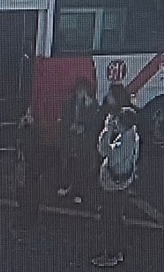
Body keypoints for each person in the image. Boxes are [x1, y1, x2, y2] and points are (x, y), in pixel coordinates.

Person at [93, 106, 139, 268]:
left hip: (113, 185)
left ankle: (110, 254)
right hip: (124, 183)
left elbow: (104, 151)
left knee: (109, 219)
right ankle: (118, 251)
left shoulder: (123, 142)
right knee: (117, 218)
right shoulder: (133, 135)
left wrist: (107, 130)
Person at [57, 80, 100, 204]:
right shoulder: (69, 103)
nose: (79, 93)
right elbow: (64, 120)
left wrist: (84, 128)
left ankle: (79, 193)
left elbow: (94, 125)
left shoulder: (92, 105)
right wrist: (70, 127)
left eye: (82, 91)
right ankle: (66, 186)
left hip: (83, 143)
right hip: (70, 141)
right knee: (67, 166)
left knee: (82, 169)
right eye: (78, 91)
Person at [11, 108, 48, 237]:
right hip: (26, 168)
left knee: (28, 196)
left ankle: (27, 223)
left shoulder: (30, 134)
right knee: (26, 196)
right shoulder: (27, 134)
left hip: (29, 168)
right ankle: (26, 223)